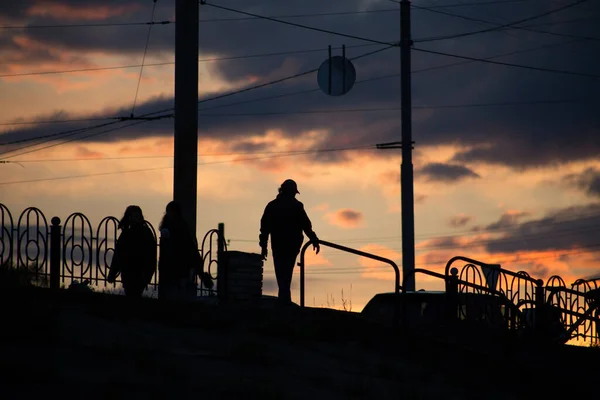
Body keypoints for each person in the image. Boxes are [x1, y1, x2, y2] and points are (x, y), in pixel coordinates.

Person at [259, 179, 320, 304]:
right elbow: (306, 225)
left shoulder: (273, 205)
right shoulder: (296, 206)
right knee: (286, 272)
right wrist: (313, 238)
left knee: (282, 272)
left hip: (280, 245)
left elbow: (265, 228)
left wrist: (264, 245)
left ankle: (284, 298)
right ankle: (285, 300)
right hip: (290, 245)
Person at [158, 201, 212, 301]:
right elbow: (192, 250)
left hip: (175, 270)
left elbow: (190, 250)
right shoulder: (182, 228)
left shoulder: (169, 229)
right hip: (178, 269)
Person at [107, 205, 157, 297]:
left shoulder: (145, 233)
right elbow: (118, 255)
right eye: (133, 216)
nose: (135, 219)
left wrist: (147, 275)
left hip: (140, 273)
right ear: (129, 217)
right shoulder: (126, 233)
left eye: (137, 217)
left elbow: (151, 256)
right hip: (128, 273)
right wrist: (112, 273)